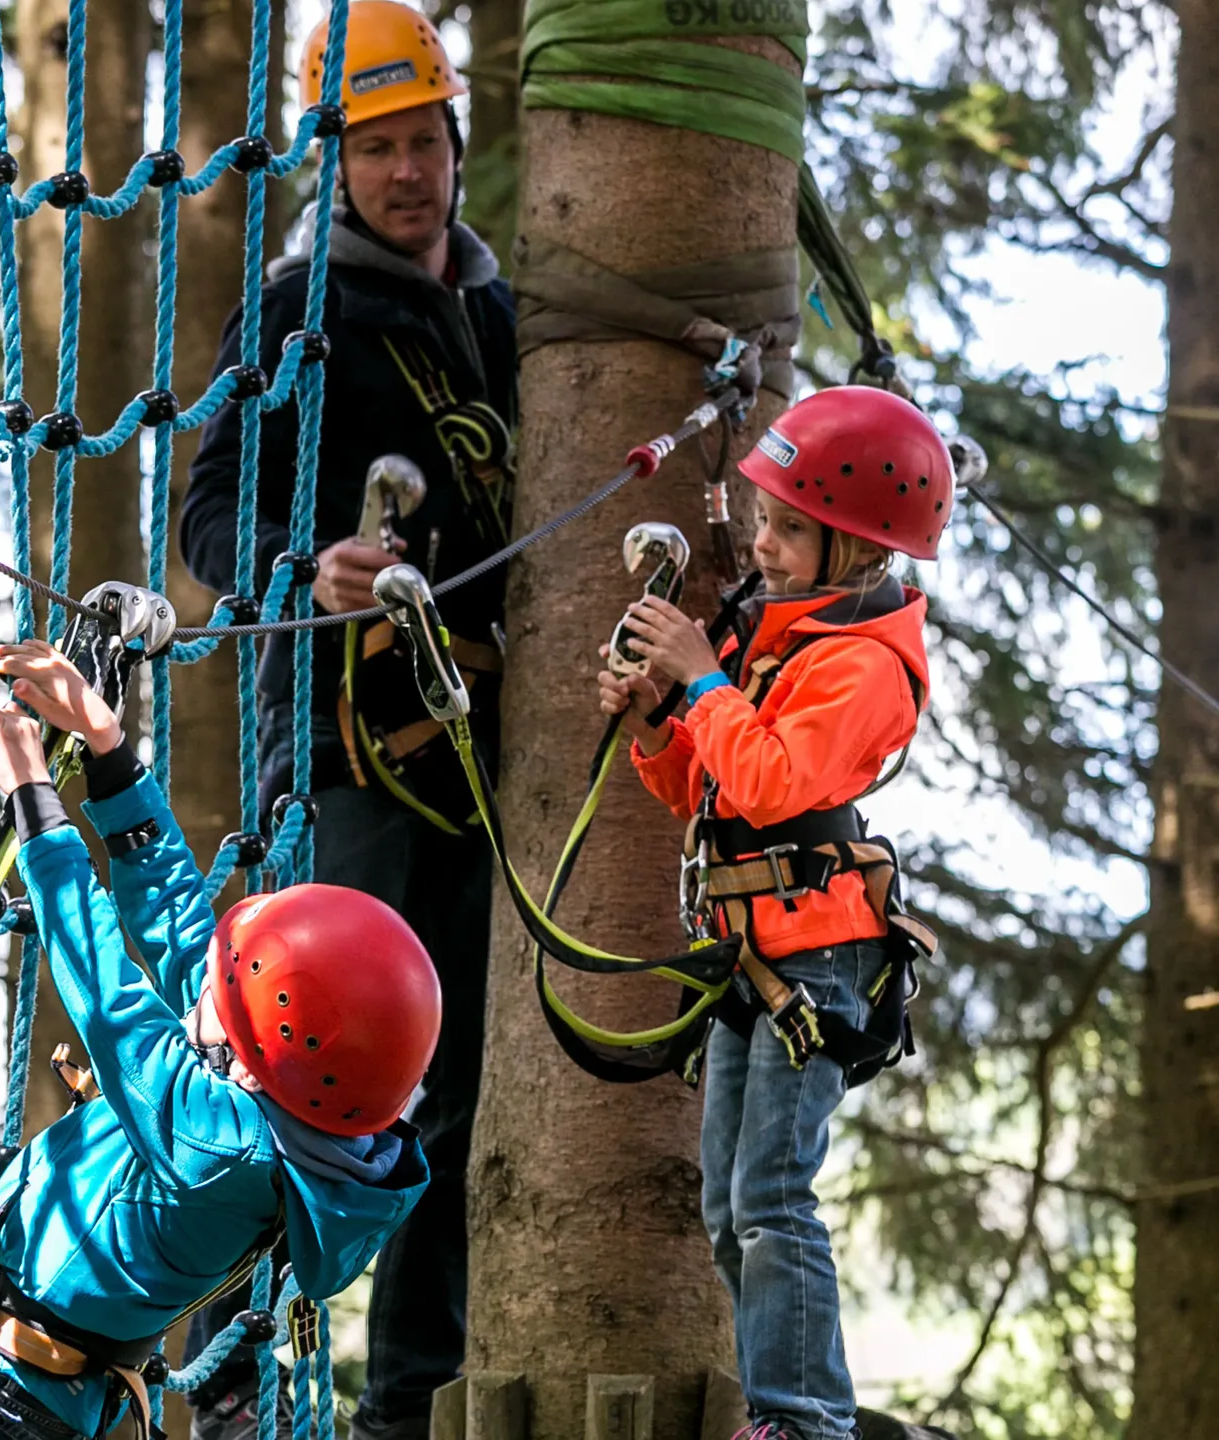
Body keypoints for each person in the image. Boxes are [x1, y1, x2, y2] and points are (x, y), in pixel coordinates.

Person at [0, 638, 437, 1440]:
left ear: (265, 1056)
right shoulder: (287, 1114)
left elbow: (106, 992)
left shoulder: (217, 1145)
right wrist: (108, 750)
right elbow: (179, 923)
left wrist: (35, 806)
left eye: (230, 994)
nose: (207, 988)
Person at [178, 7, 515, 1437]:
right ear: (338, 160)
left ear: (456, 142)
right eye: (375, 148)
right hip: (336, 755)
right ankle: (233, 1372)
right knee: (313, 1062)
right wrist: (302, 567)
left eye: (422, 141)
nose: (405, 173)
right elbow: (203, 515)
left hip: (482, 758)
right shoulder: (297, 311)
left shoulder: (502, 317)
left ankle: (407, 1407)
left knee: (461, 1089)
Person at [598, 387, 951, 1440]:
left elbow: (769, 781)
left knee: (773, 1197)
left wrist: (702, 682)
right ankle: (777, 1408)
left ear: (858, 548)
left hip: (818, 962)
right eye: (766, 520)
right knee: (728, 1205)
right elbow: (699, 793)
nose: (767, 543)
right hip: (753, 951)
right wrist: (659, 716)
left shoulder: (863, 665)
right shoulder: (776, 638)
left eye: (793, 528)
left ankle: (804, 1421)